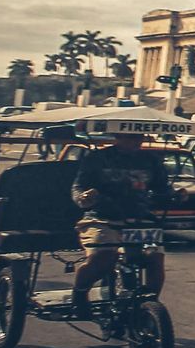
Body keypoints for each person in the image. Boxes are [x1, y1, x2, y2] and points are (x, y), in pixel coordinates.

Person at [69, 130, 169, 315]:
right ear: (118, 137)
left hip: (140, 219)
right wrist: (83, 197)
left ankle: (150, 304)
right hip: (101, 218)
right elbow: (78, 187)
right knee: (104, 256)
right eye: (131, 137)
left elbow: (162, 188)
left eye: (139, 137)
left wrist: (175, 196)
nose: (136, 141)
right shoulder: (98, 158)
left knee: (155, 257)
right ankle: (80, 293)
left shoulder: (151, 160)